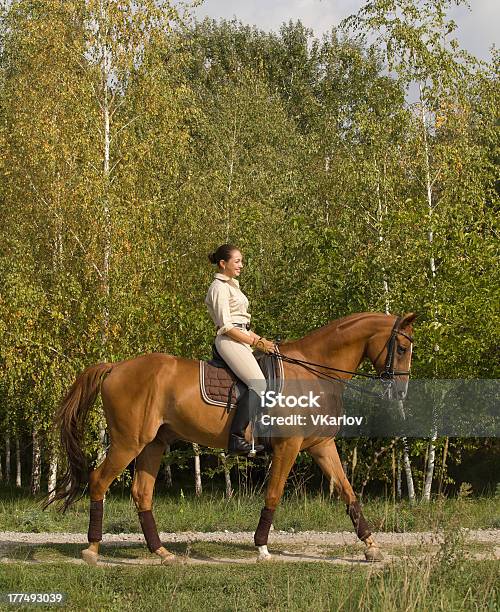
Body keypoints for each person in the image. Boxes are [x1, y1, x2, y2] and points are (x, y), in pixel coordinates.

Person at [205, 244, 275, 454]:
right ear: (223, 264)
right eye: (237, 261)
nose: (241, 265)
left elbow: (242, 325)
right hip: (229, 340)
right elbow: (226, 326)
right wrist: (256, 342)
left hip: (242, 338)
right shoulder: (218, 287)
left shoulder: (233, 285)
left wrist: (263, 341)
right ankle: (236, 437)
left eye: (241, 261)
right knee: (259, 385)